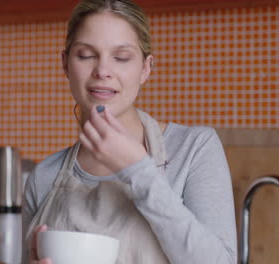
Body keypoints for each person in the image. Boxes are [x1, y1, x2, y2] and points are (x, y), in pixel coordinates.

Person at [22, 0, 237, 263]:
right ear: (65, 64)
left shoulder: (194, 149)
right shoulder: (43, 178)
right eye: (86, 55)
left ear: (145, 69)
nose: (102, 71)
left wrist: (138, 169)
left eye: (121, 57)